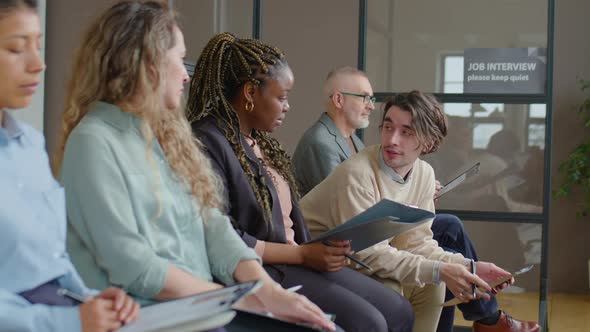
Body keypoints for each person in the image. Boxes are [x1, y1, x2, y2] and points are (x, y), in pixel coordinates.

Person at [53, 2, 334, 331]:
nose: (187, 74)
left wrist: (269, 292)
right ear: (149, 64)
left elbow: (216, 229)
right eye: (179, 59)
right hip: (152, 317)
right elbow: (133, 266)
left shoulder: (167, 136)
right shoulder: (93, 141)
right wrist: (238, 296)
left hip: (200, 309)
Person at [188, 33, 414, 332]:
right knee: (368, 323)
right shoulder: (207, 140)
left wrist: (316, 250)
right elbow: (224, 237)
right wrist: (302, 254)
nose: (287, 106)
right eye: (281, 97)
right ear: (250, 93)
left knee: (399, 310)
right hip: (261, 269)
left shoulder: (259, 142)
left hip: (296, 260)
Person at [300, 91, 541, 332]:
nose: (392, 139)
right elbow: (366, 255)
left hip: (358, 258)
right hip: (317, 262)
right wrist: (441, 270)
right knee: (395, 285)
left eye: (406, 132)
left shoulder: (424, 174)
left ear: (428, 142)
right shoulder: (357, 175)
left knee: (432, 284)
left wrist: (470, 268)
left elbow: (415, 243)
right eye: (387, 127)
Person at [0, 1, 140, 331]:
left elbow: (50, 259)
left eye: (38, 44)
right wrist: (67, 321)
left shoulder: (31, 145)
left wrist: (91, 299)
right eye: (16, 48)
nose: (39, 64)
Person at [292, 66, 374, 196]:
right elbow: (339, 202)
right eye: (364, 97)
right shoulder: (320, 143)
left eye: (371, 99)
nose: (371, 106)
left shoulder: (356, 142)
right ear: (338, 100)